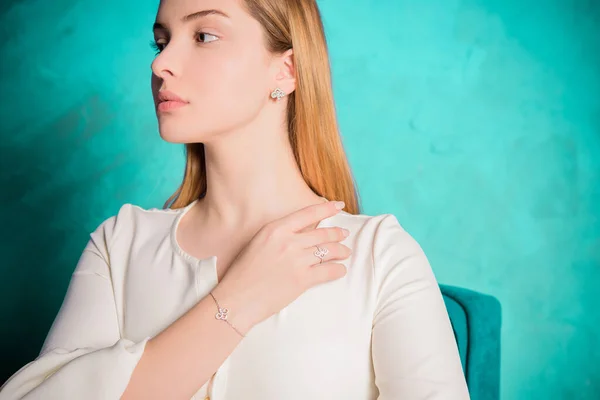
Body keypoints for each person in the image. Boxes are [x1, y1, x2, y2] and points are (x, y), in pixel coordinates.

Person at [0, 0, 470, 399]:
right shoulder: (119, 243)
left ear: (286, 69)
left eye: (204, 36)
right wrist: (237, 302)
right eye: (161, 41)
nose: (159, 64)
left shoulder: (378, 255)